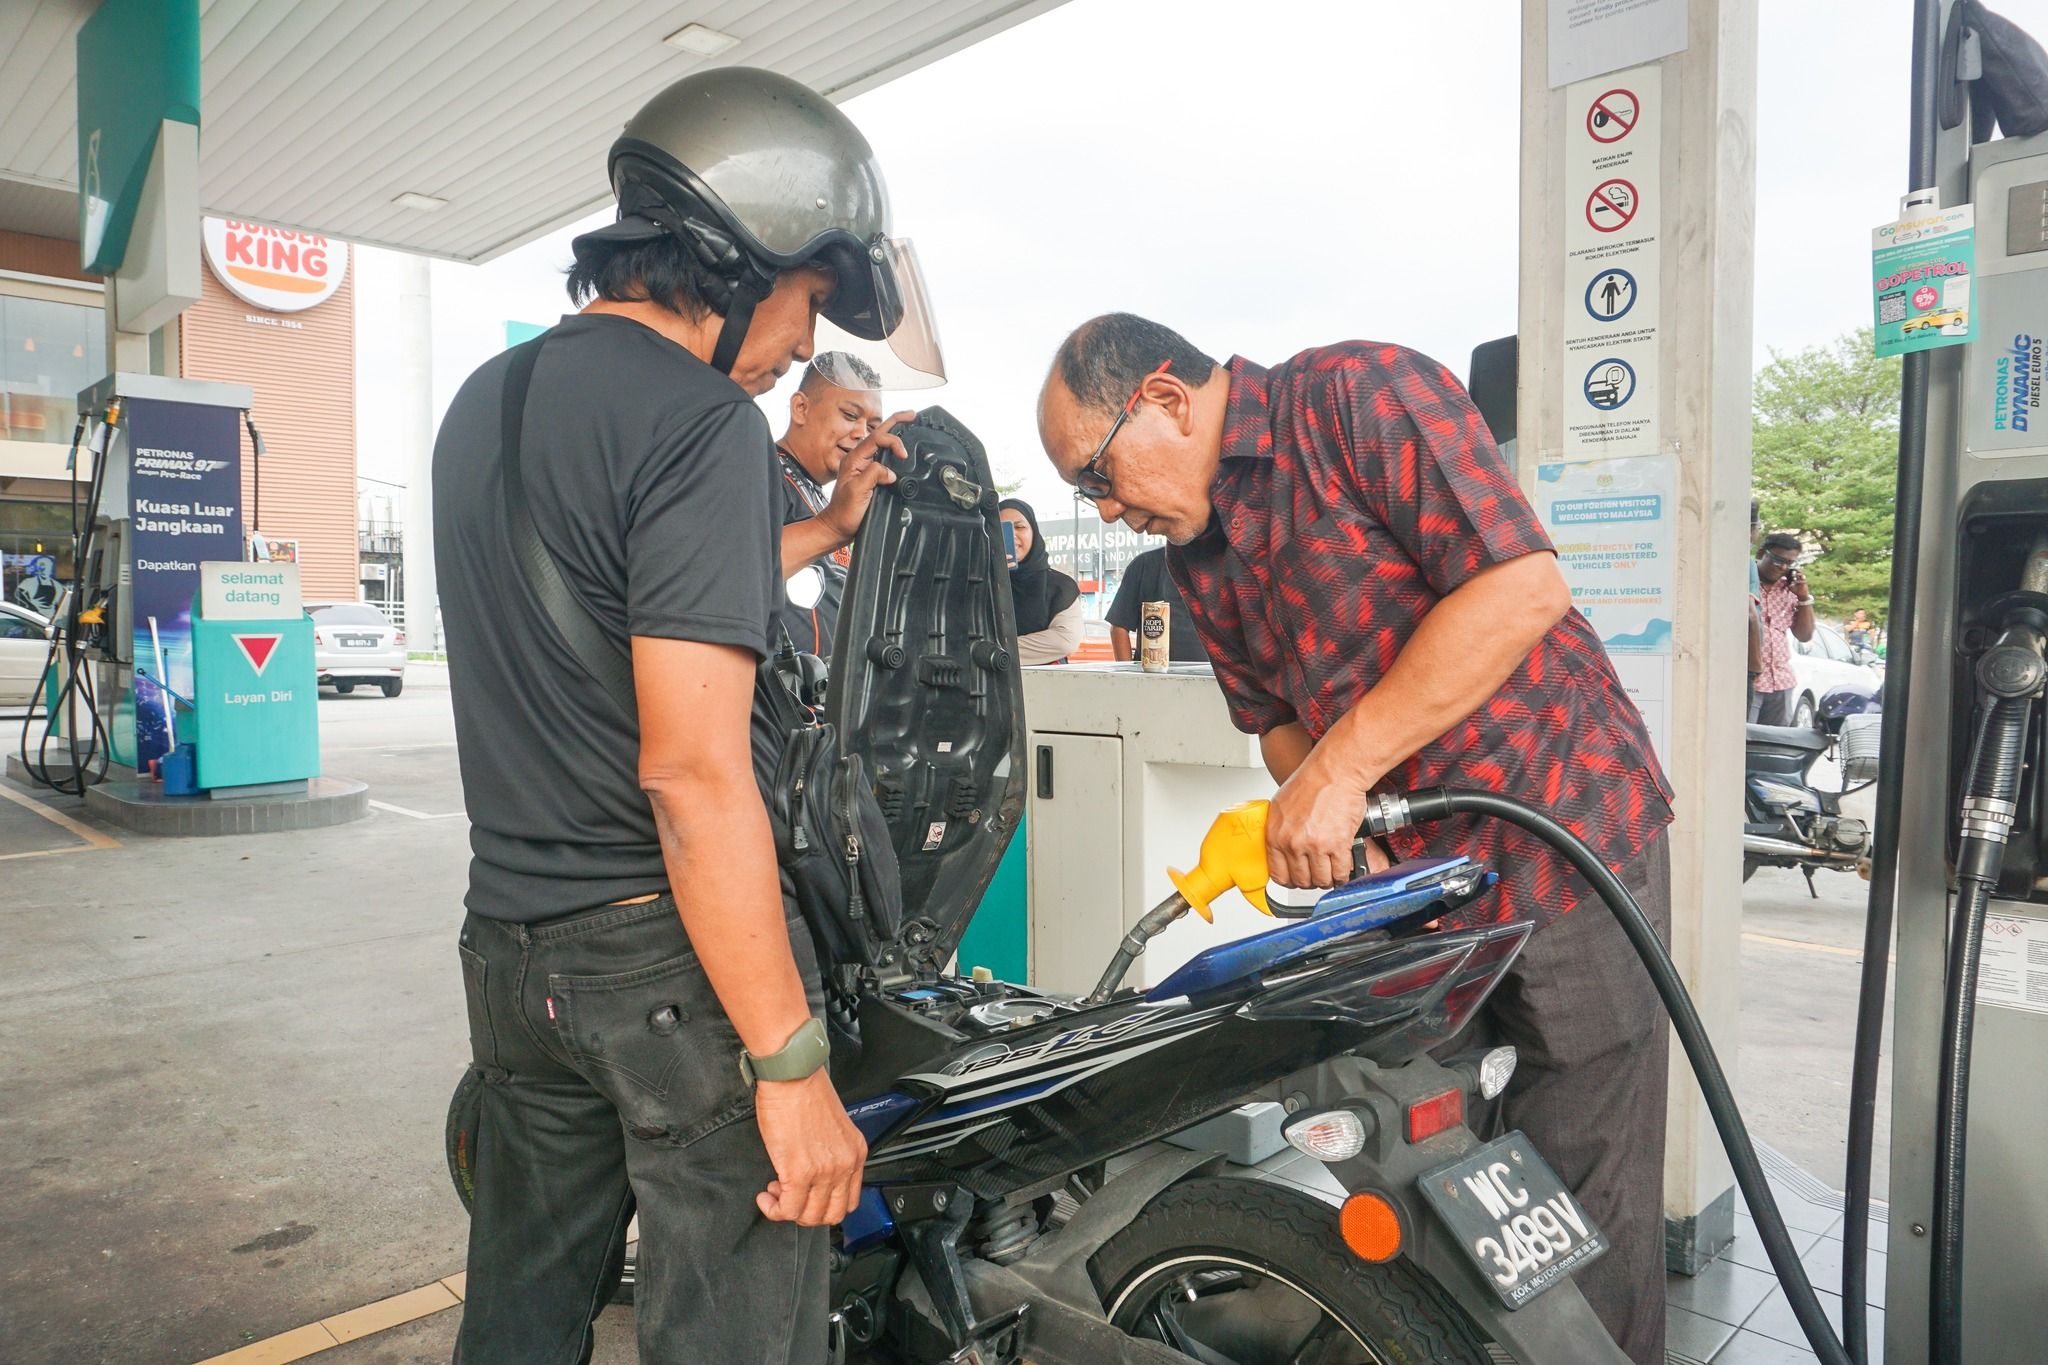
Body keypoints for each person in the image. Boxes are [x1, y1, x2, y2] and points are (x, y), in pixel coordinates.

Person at [1036, 313, 1675, 1364]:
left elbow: (1518, 587)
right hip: (1416, 882)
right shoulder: (1199, 550)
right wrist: (1338, 826)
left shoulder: (1355, 396)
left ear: (1162, 398)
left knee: (1583, 1156)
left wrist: (1340, 775)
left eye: (1096, 478)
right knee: (1416, 1149)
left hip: (1561, 825)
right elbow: (1281, 725)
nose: (1105, 510)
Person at [431, 67, 934, 1364]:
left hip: (512, 950)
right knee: (734, 1331)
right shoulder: (701, 424)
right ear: (745, 255)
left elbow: (609, 606)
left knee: (524, 1316)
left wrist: (820, 527)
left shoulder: (479, 409)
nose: (793, 349)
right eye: (810, 298)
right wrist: (787, 1064)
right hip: (664, 969)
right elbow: (694, 775)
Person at [774, 352, 885, 656]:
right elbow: (730, 569)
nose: (862, 434)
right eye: (850, 416)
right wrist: (831, 527)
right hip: (773, 694)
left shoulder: (825, 499)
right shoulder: (762, 470)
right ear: (801, 408)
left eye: (873, 427)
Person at [999, 498, 1084, 664]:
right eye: (1001, 529)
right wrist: (990, 573)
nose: (1012, 535)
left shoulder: (1059, 586)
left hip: (1045, 686)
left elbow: (1064, 641)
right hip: (987, 686)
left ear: (1034, 532)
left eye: (1020, 527)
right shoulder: (977, 582)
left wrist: (993, 651)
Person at [1750, 532, 1817, 726]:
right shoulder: (1745, 581)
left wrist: (1803, 598)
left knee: (1775, 744)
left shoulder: (1790, 589)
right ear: (1762, 552)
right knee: (1745, 743)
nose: (1783, 567)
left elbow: (1804, 635)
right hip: (1751, 681)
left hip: (1781, 682)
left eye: (1789, 563)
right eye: (1777, 560)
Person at [1106, 544, 1207, 663]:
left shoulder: (1226, 566)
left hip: (1212, 677)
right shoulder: (1144, 565)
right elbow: (1119, 628)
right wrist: (1127, 675)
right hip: (1153, 676)